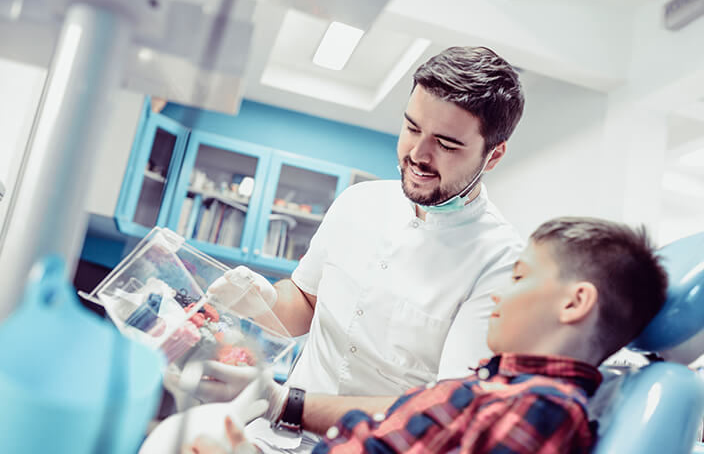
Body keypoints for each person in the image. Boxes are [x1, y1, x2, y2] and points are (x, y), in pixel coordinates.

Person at [198, 46, 527, 450]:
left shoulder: (501, 261)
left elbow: (444, 411)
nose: (418, 155)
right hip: (275, 437)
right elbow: (303, 305)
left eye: (446, 143)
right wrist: (260, 299)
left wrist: (284, 402)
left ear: (493, 155)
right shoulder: (359, 202)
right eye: (411, 128)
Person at [184, 216, 668, 454]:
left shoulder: (545, 408)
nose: (500, 297)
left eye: (520, 278)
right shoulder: (493, 388)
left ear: (574, 302)